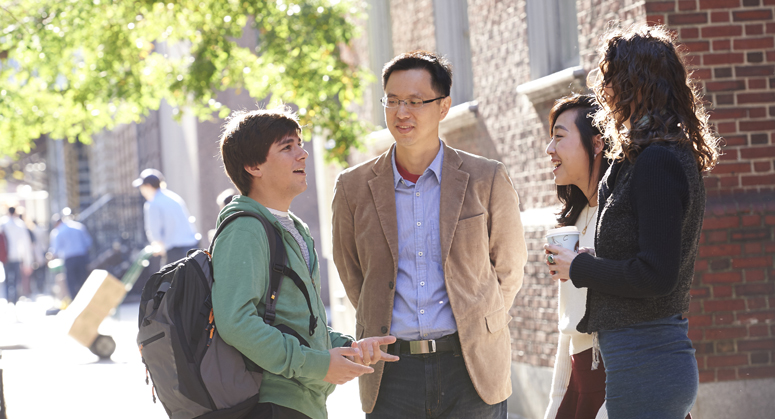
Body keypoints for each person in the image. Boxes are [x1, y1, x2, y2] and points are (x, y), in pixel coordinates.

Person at [332, 50, 528, 418]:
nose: (401, 112)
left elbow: (509, 266)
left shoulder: (486, 178)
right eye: (392, 101)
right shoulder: (352, 187)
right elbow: (352, 272)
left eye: (415, 101)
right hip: (392, 372)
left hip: (471, 367)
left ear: (443, 106)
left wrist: (478, 322)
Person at [544, 25, 720, 419]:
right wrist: (592, 260)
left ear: (633, 83)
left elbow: (657, 275)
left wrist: (582, 267)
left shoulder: (659, 160)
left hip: (650, 359)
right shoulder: (640, 159)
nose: (602, 90)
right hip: (633, 357)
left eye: (607, 77)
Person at [212, 106, 398, 419]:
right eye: (287, 147)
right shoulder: (245, 228)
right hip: (272, 402)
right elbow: (236, 322)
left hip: (304, 402)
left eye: (300, 143)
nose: (303, 154)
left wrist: (350, 348)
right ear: (253, 166)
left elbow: (300, 322)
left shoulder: (293, 227)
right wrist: (319, 365)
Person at [543, 95, 609, 419]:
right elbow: (568, 330)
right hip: (580, 386)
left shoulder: (616, 219)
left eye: (559, 136)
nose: (549, 150)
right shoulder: (575, 221)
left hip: (618, 387)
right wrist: (555, 406)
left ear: (596, 144)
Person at [132, 169, 200, 264]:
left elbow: (154, 230)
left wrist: (157, 247)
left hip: (174, 252)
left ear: (148, 186)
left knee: (169, 278)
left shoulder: (153, 203)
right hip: (192, 248)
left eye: (142, 187)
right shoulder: (174, 197)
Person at [1, 207, 33, 304]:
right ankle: (14, 300)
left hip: (5, 256)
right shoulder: (19, 224)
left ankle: (8, 299)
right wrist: (28, 261)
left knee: (7, 279)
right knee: (15, 279)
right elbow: (26, 244)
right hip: (16, 256)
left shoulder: (3, 223)